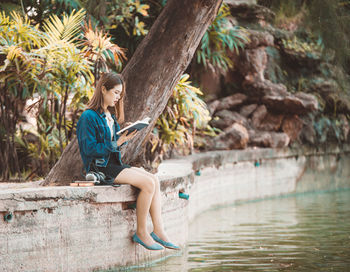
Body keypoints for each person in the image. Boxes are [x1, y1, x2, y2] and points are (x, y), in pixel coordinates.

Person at [76, 72, 179, 251]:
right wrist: (118, 141)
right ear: (103, 89)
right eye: (115, 93)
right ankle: (141, 232)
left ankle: (159, 231)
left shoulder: (110, 117)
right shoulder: (88, 117)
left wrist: (126, 135)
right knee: (147, 183)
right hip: (99, 168)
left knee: (153, 179)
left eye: (120, 94)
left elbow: (114, 147)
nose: (118, 98)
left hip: (113, 165)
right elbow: (89, 149)